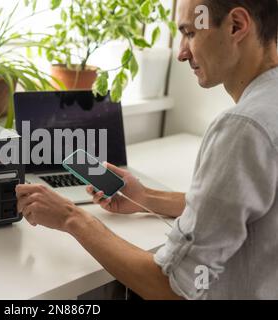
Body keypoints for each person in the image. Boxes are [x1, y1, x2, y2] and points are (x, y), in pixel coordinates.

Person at [16, 0, 278, 300]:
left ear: (236, 26)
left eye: (190, 33)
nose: (181, 52)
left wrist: (70, 217)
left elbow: (170, 288)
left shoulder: (243, 128)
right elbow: (235, 207)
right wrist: (146, 198)